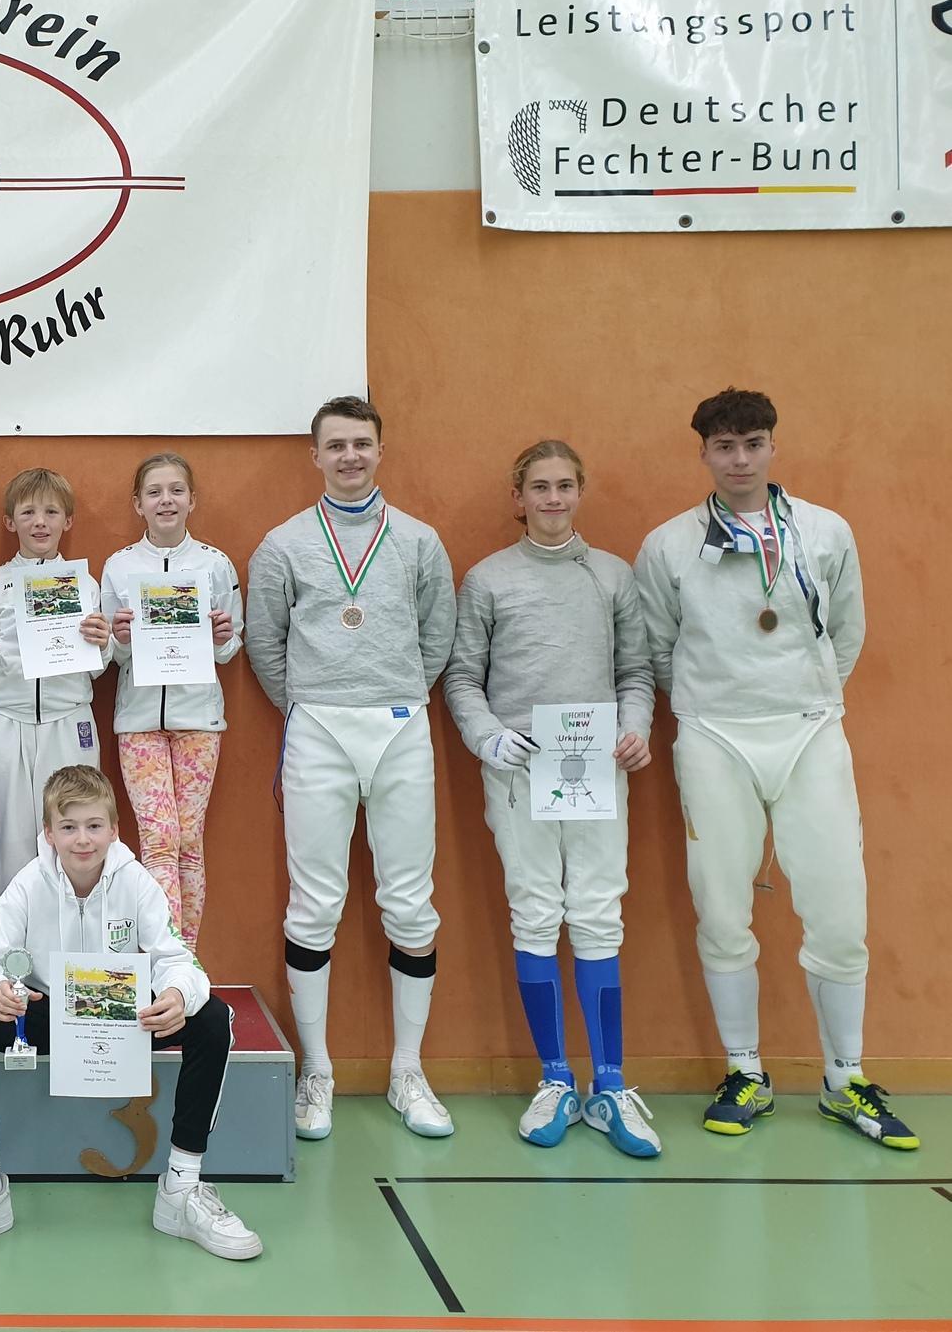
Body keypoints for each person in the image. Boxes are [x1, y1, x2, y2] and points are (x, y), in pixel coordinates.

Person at [634, 388, 916, 1149]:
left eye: (752, 443)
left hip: (808, 731)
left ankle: (843, 1076)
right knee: (720, 907)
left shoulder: (824, 532)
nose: (738, 459)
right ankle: (745, 1069)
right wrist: (709, 709)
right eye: (723, 446)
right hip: (713, 737)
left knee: (838, 911)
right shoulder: (667, 543)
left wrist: (805, 701)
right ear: (702, 453)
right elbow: (658, 648)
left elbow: (846, 631)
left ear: (771, 446)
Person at [0, 765, 261, 1263]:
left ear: (115, 830)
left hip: (122, 1017)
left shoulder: (136, 882)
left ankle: (182, 1188)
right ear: (48, 834)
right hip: (45, 1015)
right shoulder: (29, 884)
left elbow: (178, 959)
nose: (83, 840)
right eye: (70, 827)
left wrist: (177, 995)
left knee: (211, 1016)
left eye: (95, 826)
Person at [246, 395, 456, 1142]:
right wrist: (314, 704)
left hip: (400, 723)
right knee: (314, 904)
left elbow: (438, 639)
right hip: (317, 729)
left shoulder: (420, 542)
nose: (349, 456)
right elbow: (263, 642)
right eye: (334, 445)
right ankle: (318, 1071)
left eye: (361, 444)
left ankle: (407, 1071)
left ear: (379, 450)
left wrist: (390, 694)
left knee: (409, 905)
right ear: (314, 455)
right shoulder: (283, 544)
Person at [442, 440, 660, 1157]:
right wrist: (486, 738)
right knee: (534, 909)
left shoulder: (611, 576)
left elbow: (635, 671)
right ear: (517, 496)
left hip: (597, 771)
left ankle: (609, 1083)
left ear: (579, 490)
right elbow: (461, 678)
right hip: (517, 773)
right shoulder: (486, 580)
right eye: (539, 486)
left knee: (598, 913)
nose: (553, 498)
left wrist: (633, 729)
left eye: (565, 485)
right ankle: (555, 1077)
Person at [99, 453, 243, 950]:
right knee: (158, 841)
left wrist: (223, 636)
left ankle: (188, 961)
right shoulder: (119, 567)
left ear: (192, 500)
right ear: (138, 503)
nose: (167, 500)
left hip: (199, 719)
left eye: (176, 490)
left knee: (188, 846)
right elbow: (111, 654)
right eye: (155, 492)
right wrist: (118, 637)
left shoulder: (215, 563)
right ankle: (165, 959)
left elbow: (229, 647)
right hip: (138, 721)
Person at [0, 467, 112, 894]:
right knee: (12, 843)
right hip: (9, 721)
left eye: (51, 512)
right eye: (28, 512)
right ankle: (15, 955)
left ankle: (73, 950)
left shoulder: (85, 584)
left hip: (69, 720)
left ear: (68, 520)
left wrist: (102, 643)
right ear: (9, 522)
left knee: (77, 839)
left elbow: (98, 665)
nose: (40, 521)